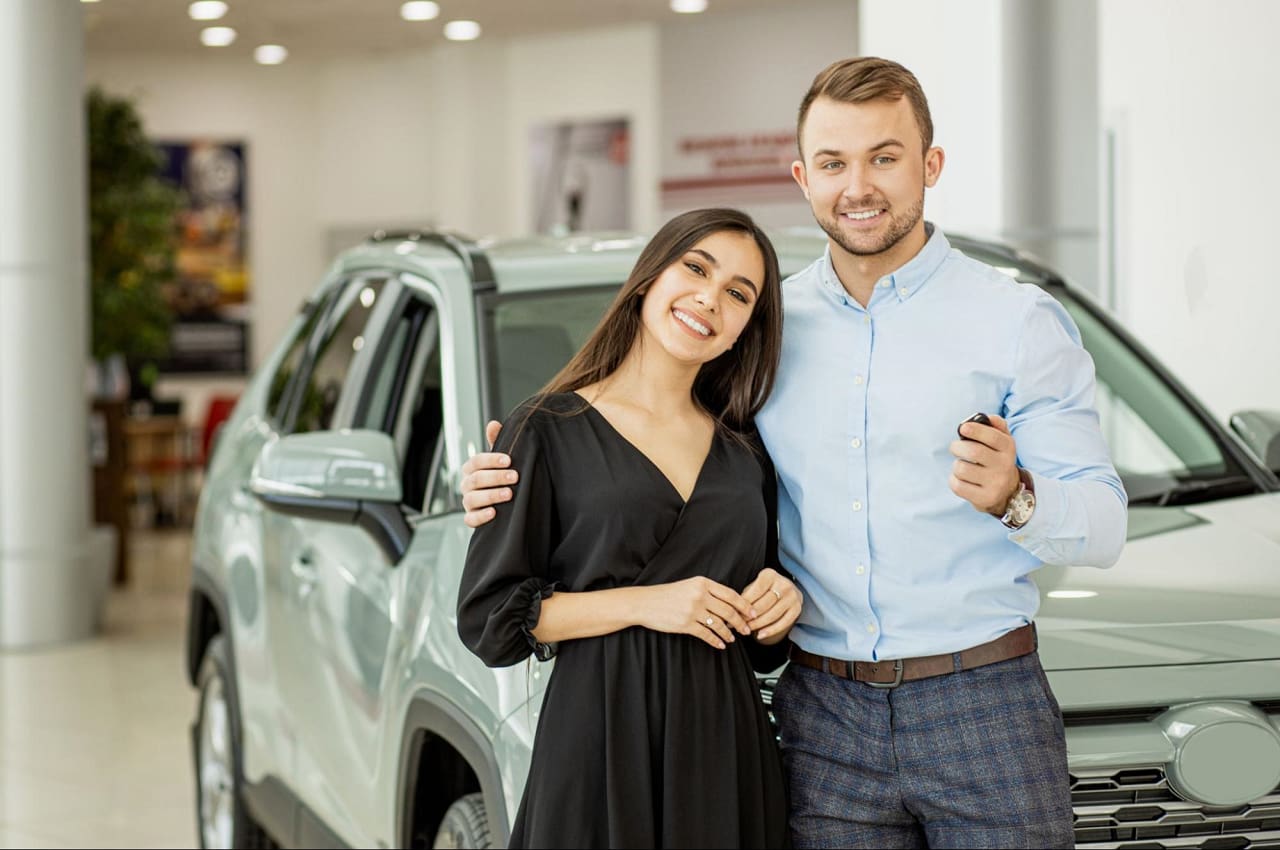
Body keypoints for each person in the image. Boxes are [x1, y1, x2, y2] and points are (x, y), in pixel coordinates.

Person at [464, 58, 1130, 848]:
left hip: (980, 700)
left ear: (931, 165)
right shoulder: (765, 330)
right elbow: (644, 460)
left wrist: (1016, 495)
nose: (859, 186)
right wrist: (499, 483)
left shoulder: (1016, 319)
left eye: (885, 156)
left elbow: (1105, 523)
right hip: (820, 717)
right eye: (833, 162)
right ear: (802, 178)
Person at [456, 207, 802, 849]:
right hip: (597, 737)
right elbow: (493, 619)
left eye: (737, 294)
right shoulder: (545, 429)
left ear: (743, 330)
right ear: (648, 278)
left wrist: (779, 605)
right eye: (695, 268)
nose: (710, 298)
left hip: (724, 745)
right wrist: (650, 604)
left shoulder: (747, 451)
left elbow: (760, 636)